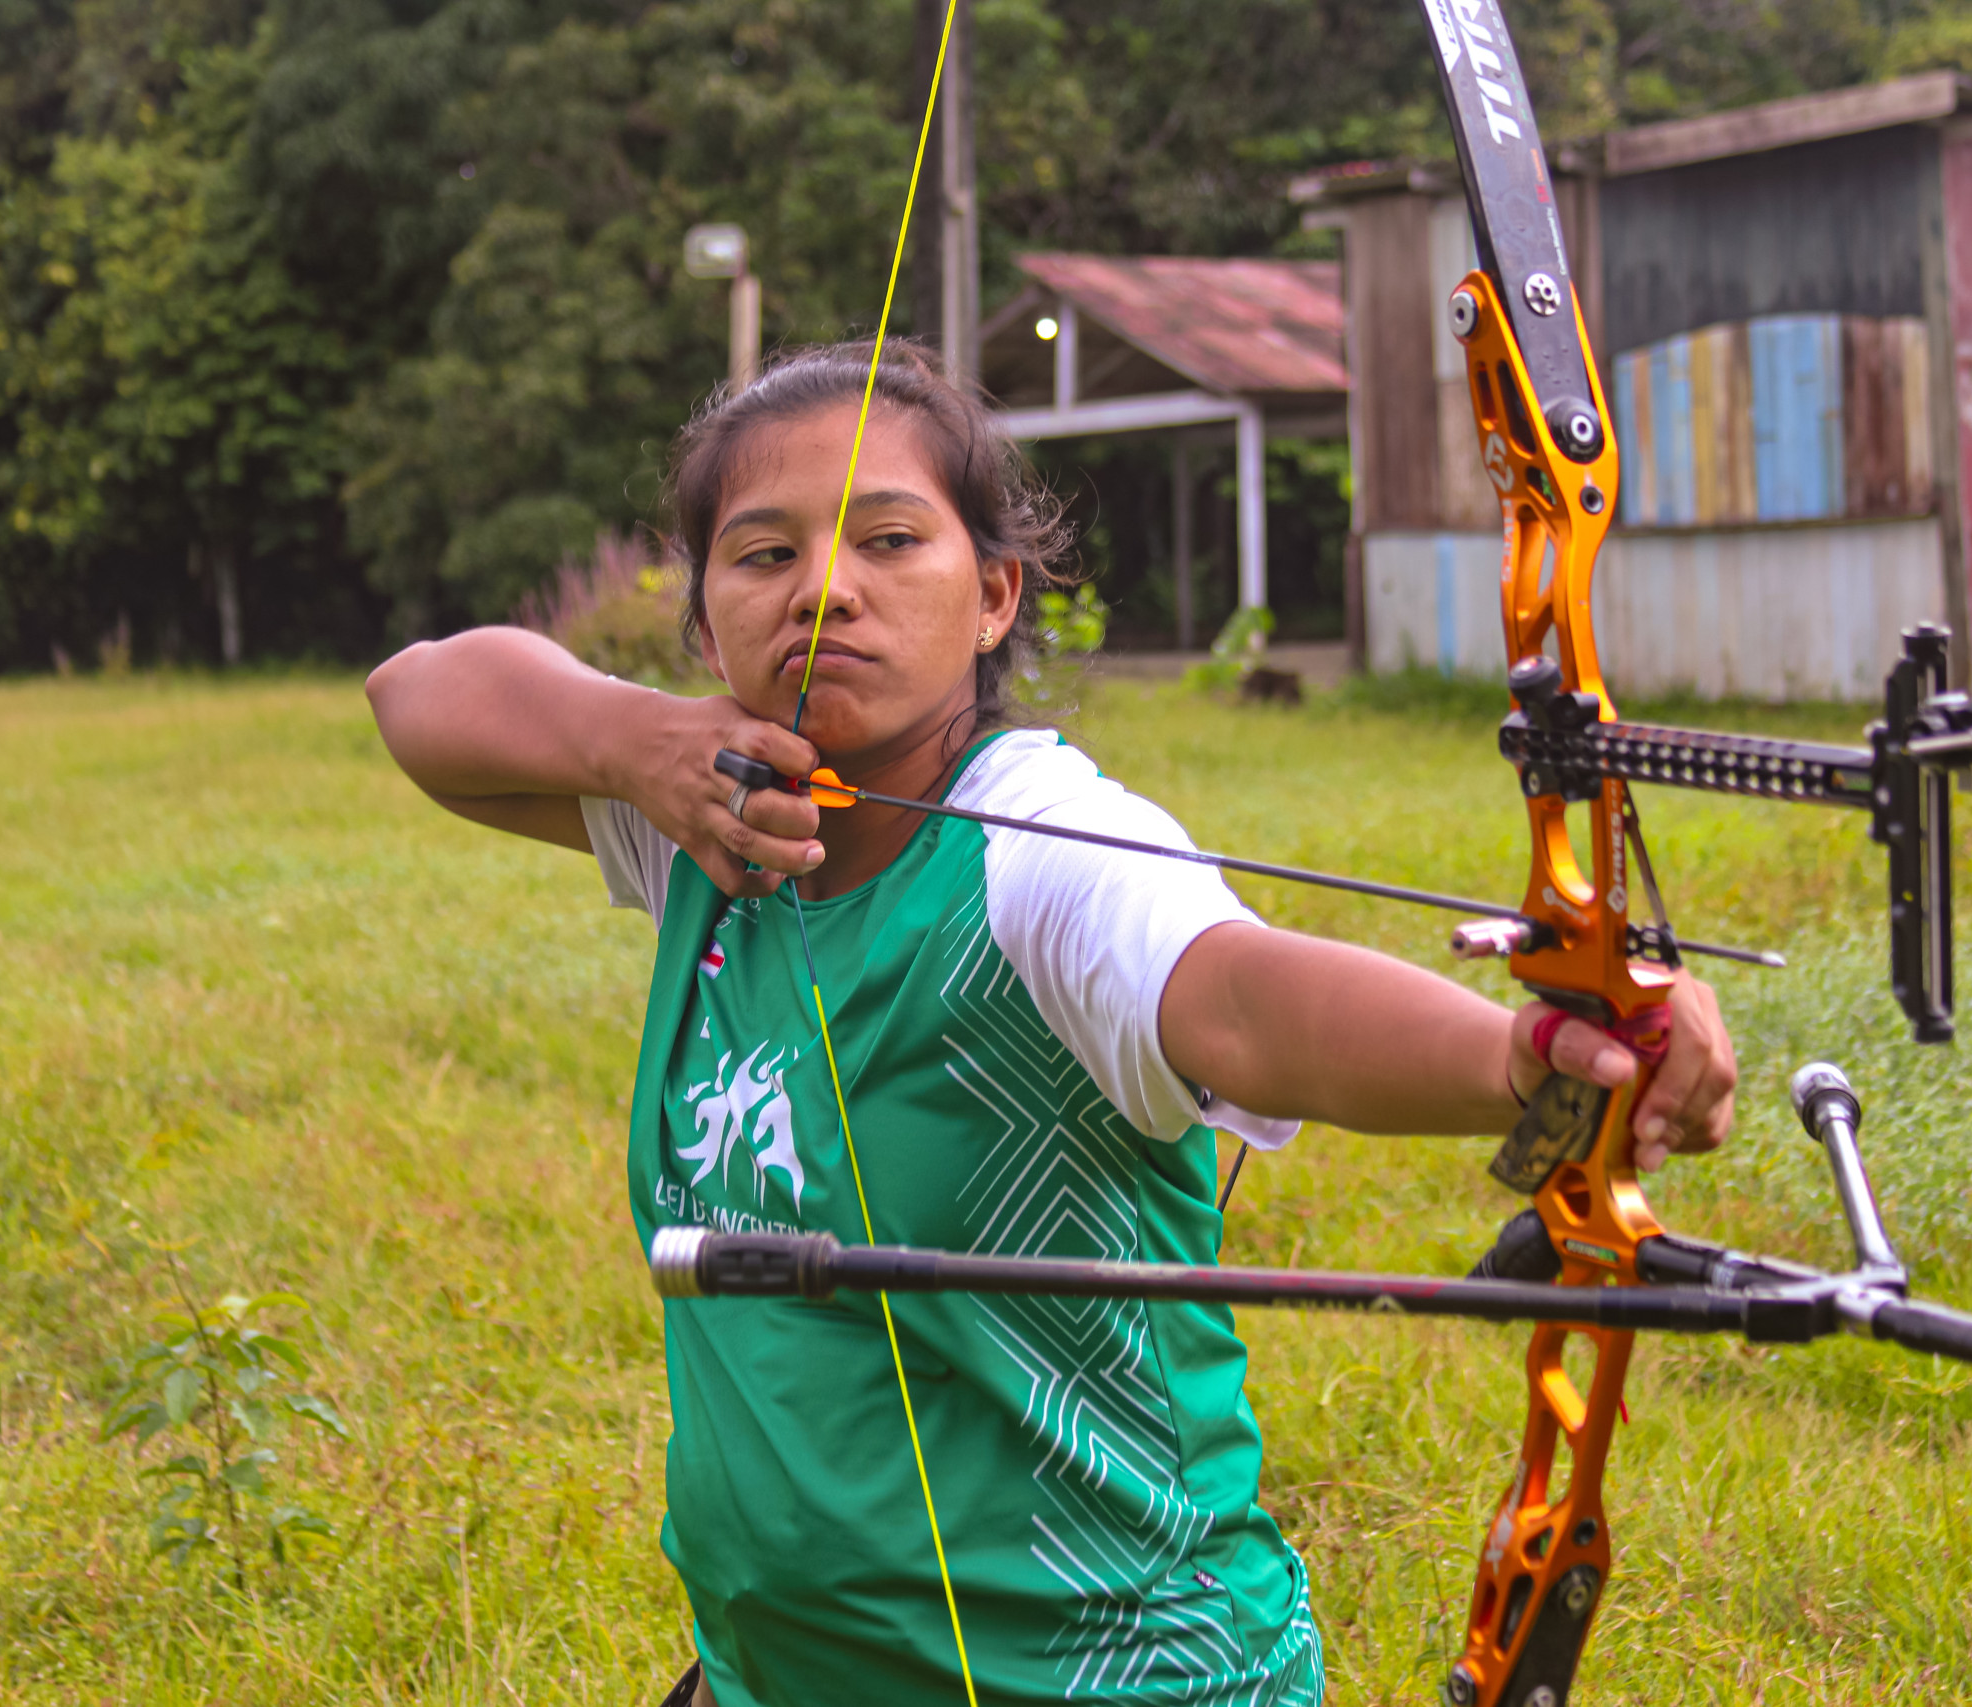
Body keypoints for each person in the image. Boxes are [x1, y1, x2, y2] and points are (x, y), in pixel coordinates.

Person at [366, 341, 1737, 1707]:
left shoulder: (1043, 846)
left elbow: (1243, 1001)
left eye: (890, 538)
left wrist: (1525, 1057)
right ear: (706, 611)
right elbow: (419, 699)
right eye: (760, 554)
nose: (823, 589)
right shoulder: (707, 826)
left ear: (995, 593)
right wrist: (633, 739)